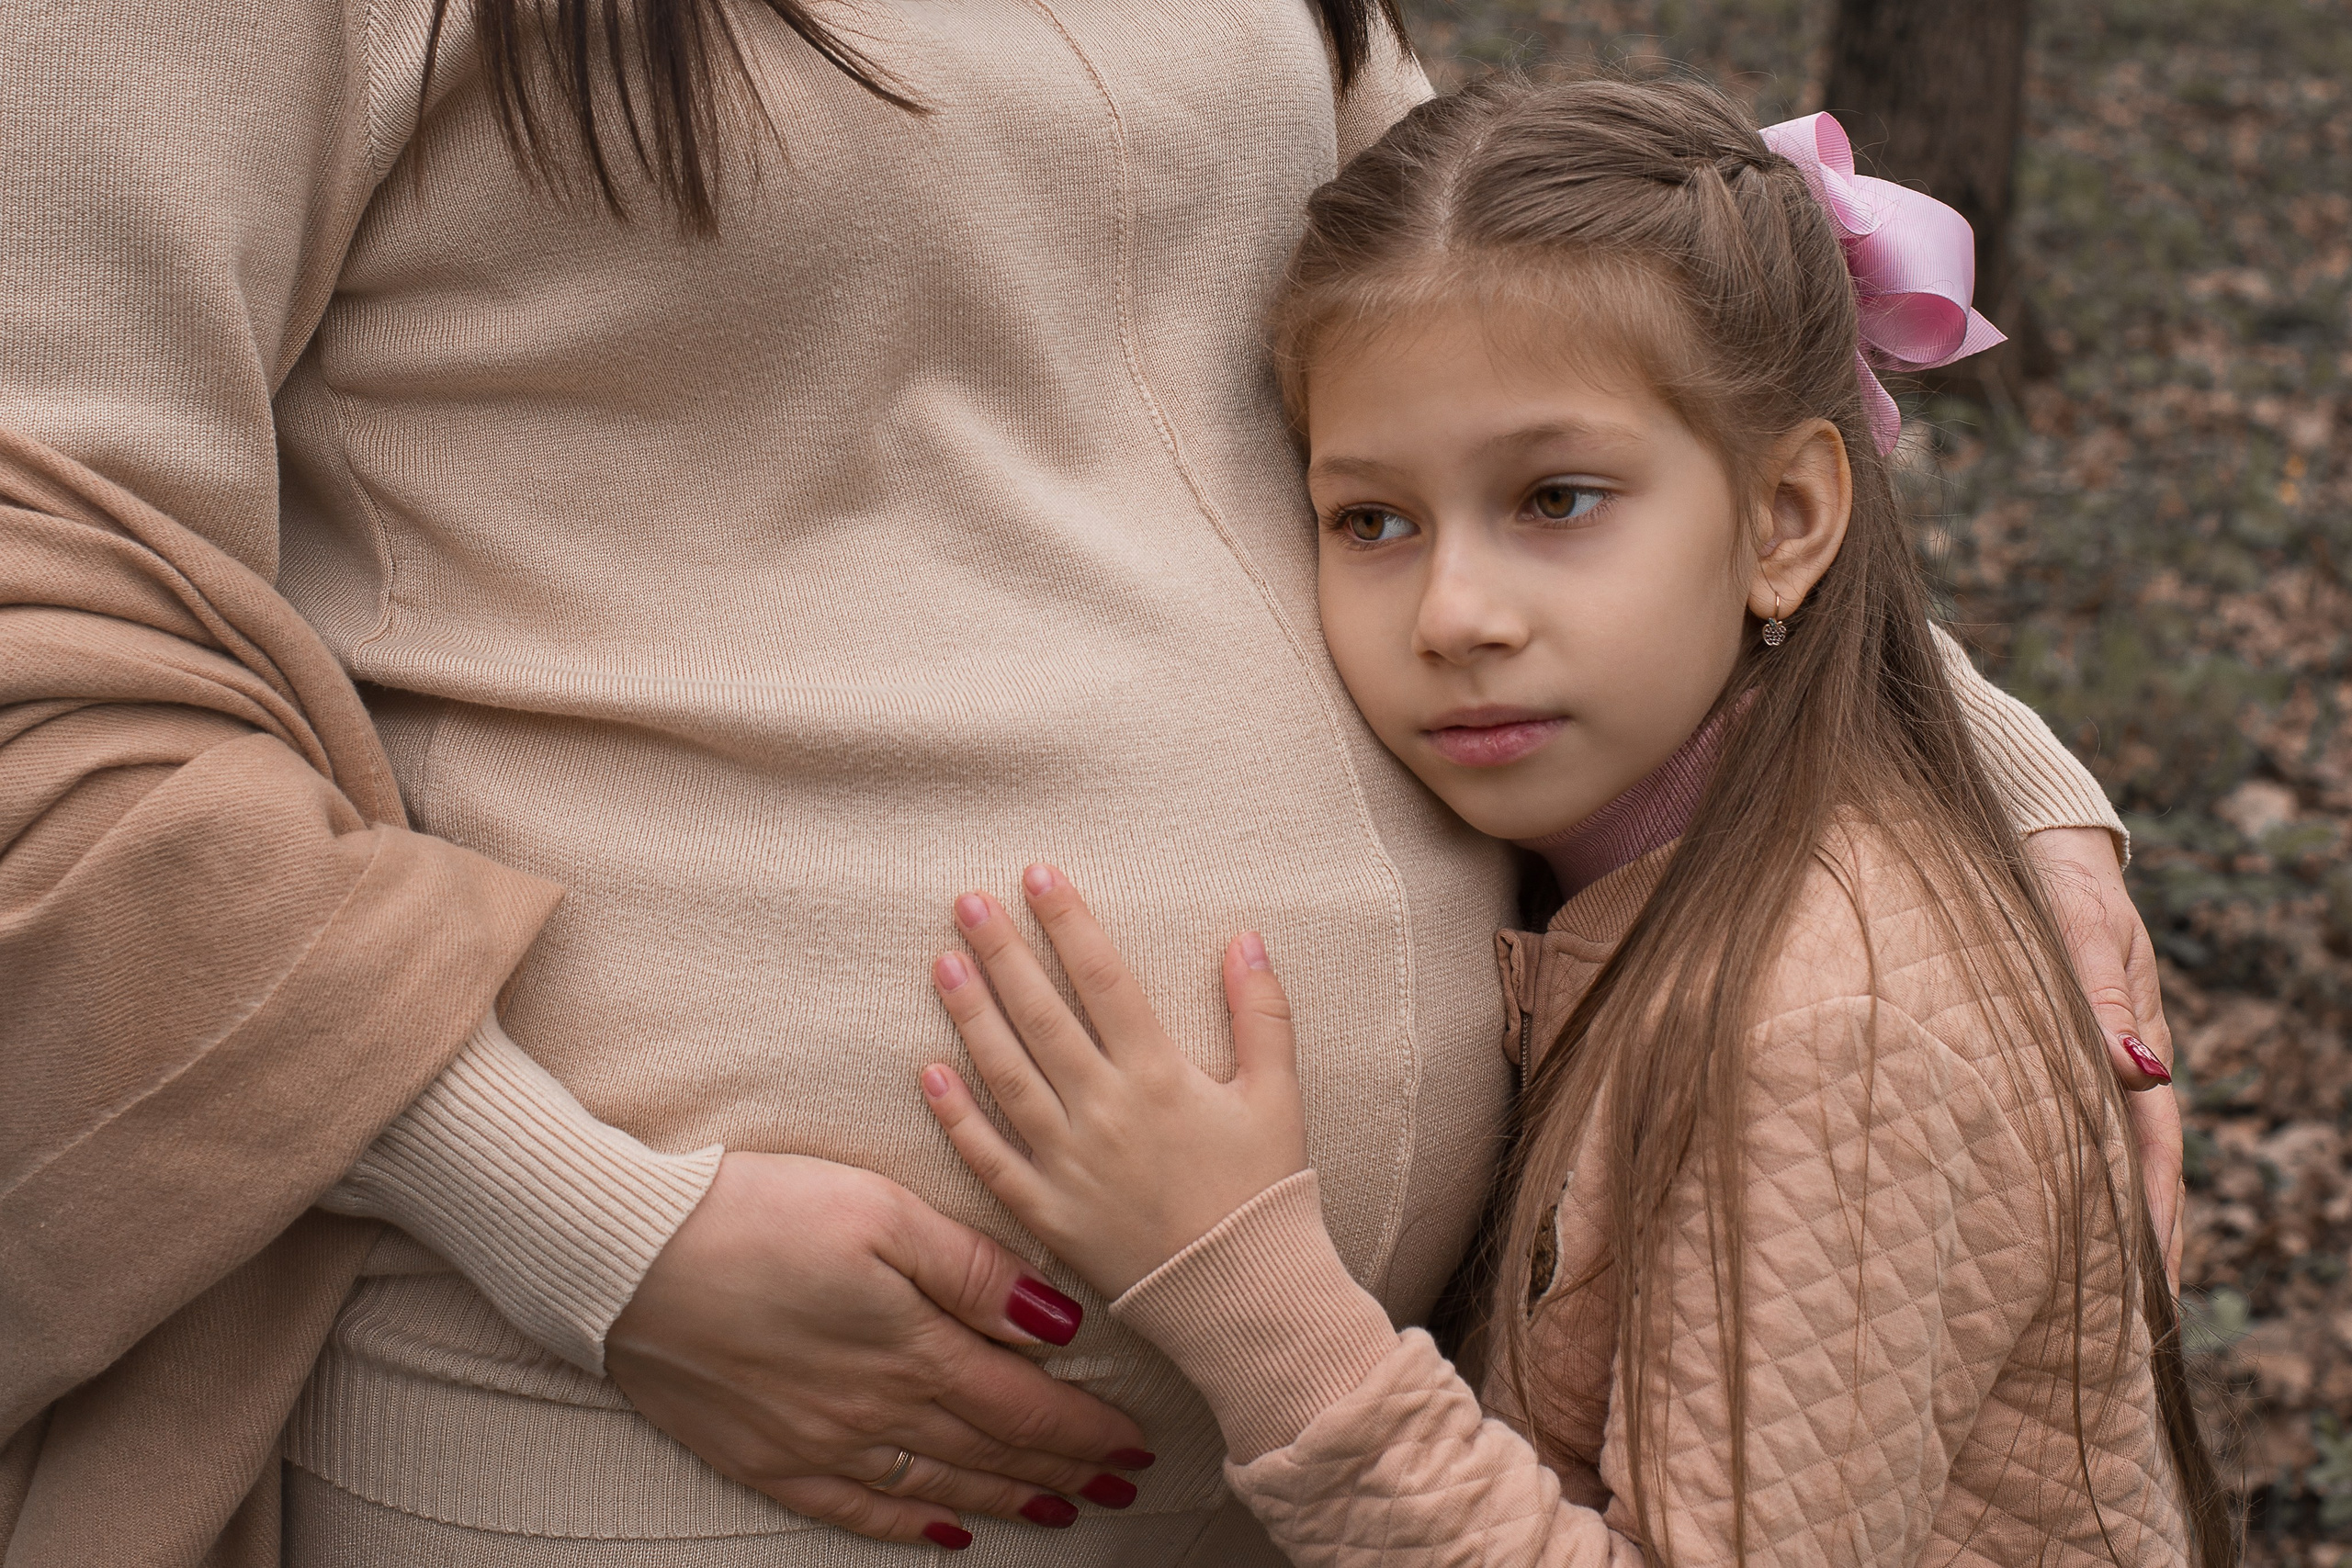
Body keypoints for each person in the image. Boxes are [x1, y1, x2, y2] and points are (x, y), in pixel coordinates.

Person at [0, 2, 2171, 1562]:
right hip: (679, 1438)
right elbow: (40, 624)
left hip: (1370, 1423)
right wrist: (588, 1230)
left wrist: (1988, 776)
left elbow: (1544, 349)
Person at [918, 76, 2229, 1566]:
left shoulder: (1821, 1021)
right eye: (1372, 521)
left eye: (1557, 497)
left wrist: (1250, 1294)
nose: (1455, 615)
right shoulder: (1656, 869)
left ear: (1789, 520)